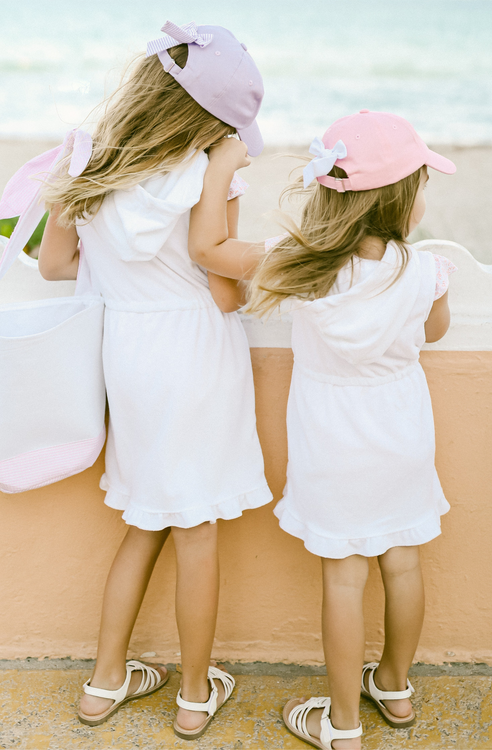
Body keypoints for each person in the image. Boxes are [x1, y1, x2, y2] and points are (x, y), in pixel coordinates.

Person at [187, 110, 457, 750]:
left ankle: (342, 724)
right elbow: (435, 333)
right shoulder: (426, 273)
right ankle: (393, 686)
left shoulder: (301, 268)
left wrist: (220, 171)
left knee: (345, 577)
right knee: (403, 563)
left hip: (331, 443)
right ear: (401, 200)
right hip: (402, 436)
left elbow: (210, 253)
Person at [36, 21, 272, 741]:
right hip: (196, 355)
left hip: (130, 355)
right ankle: (196, 695)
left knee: (143, 522)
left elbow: (54, 267)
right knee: (196, 533)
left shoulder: (92, 163)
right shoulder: (214, 168)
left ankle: (105, 682)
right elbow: (226, 291)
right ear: (213, 120)